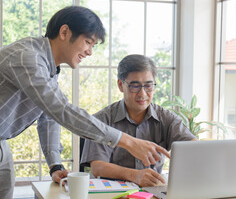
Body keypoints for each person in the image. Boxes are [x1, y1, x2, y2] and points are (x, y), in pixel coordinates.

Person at [0, 7, 169, 199]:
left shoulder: (49, 70)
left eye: (93, 45)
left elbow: (48, 117)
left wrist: (55, 164)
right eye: (88, 42)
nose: (90, 51)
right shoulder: (27, 57)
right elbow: (61, 110)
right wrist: (127, 141)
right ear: (65, 32)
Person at [81, 54, 197, 187]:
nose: (142, 94)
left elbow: (193, 147)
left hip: (153, 194)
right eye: (134, 86)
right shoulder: (102, 120)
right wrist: (134, 175)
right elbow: (98, 167)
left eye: (148, 86)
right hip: (113, 194)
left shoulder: (166, 118)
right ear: (120, 85)